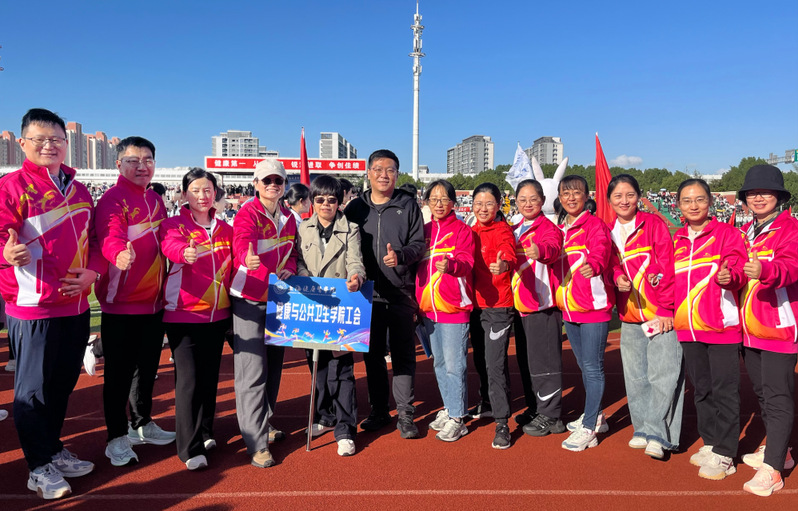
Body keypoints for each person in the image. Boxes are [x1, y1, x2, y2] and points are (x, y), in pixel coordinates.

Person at [0, 108, 103, 499]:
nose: (49, 145)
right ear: (23, 143)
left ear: (66, 143)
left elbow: (96, 243)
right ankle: (38, 465)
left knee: (62, 384)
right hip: (33, 306)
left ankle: (52, 448)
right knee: (33, 392)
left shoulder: (79, 191)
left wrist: (94, 272)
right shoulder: (11, 187)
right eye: (40, 139)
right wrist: (5, 254)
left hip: (76, 306)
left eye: (56, 139)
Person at [95, 136, 174, 468]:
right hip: (121, 305)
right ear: (119, 164)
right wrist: (118, 253)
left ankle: (142, 423)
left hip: (154, 304)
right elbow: (109, 235)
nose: (142, 166)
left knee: (147, 370)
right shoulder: (112, 200)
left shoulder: (155, 199)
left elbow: (167, 238)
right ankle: (116, 437)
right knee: (118, 375)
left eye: (148, 160)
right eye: (133, 160)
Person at [344, 149, 425, 438]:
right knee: (373, 355)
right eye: (378, 169)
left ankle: (405, 414)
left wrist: (401, 256)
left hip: (401, 291)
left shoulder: (408, 205)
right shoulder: (355, 208)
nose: (383, 175)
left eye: (390, 170)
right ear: (368, 173)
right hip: (366, 294)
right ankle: (379, 410)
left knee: (403, 355)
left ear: (397, 174)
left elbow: (419, 244)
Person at [672, 178, 747, 481]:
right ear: (679, 205)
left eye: (700, 199)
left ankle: (726, 452)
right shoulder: (676, 239)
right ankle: (712, 441)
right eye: (687, 200)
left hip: (721, 328)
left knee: (725, 390)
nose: (694, 205)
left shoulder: (727, 234)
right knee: (701, 389)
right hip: (688, 329)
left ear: (710, 202)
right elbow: (668, 280)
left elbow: (738, 268)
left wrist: (731, 277)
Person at [159, 168, 233, 471]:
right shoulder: (173, 225)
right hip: (183, 315)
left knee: (209, 377)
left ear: (215, 193)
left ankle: (205, 432)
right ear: (184, 194)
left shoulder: (225, 230)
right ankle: (188, 448)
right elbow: (170, 246)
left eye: (207, 190)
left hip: (218, 315)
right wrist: (183, 253)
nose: (202, 196)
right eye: (195, 190)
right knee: (188, 382)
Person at [607, 174, 684, 460]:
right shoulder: (609, 232)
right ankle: (641, 427)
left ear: (639, 197)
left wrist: (665, 308)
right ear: (609, 200)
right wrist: (616, 276)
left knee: (664, 375)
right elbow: (611, 264)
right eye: (618, 196)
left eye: (630, 195)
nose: (624, 201)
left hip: (660, 313)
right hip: (629, 315)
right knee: (636, 377)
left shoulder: (653, 224)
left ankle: (659, 434)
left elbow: (667, 264)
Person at [735, 165, 798, 497]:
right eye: (752, 193)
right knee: (762, 393)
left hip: (777, 328)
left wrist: (766, 269)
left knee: (777, 396)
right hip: (749, 329)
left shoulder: (790, 228)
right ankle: (780, 449)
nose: (758, 197)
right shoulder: (747, 230)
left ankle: (773, 469)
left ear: (779, 196)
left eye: (765, 192)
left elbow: (792, 266)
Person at [230, 158, 297, 468]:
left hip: (277, 299)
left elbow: (293, 253)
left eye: (278, 180)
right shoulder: (247, 213)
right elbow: (241, 245)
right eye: (266, 180)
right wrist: (249, 259)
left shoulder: (290, 217)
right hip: (249, 299)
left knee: (273, 369)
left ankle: (263, 422)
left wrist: (290, 269)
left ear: (284, 185)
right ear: (255, 184)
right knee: (252, 371)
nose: (273, 184)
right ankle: (256, 443)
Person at [296, 175, 366, 457]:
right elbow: (298, 260)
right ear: (312, 201)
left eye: (332, 200)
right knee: (318, 367)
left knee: (342, 370)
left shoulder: (351, 229)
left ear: (340, 202)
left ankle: (345, 428)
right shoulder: (303, 229)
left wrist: (356, 277)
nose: (326, 204)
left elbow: (355, 260)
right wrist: (303, 276)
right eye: (320, 199)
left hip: (340, 306)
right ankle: (324, 416)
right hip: (311, 305)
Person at [553, 175, 615, 452]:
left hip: (593, 307)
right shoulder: (560, 228)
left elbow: (601, 250)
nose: (571, 198)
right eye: (565, 193)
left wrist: (595, 264)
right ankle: (596, 415)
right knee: (584, 365)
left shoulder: (594, 225)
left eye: (576, 192)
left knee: (592, 367)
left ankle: (589, 428)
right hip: (569, 308)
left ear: (587, 196)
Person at [417, 180, 474, 443]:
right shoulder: (423, 231)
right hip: (429, 310)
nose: (439, 204)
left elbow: (467, 263)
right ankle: (449, 408)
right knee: (439, 363)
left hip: (453, 308)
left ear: (453, 203)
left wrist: (451, 266)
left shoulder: (462, 230)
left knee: (454, 366)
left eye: (444, 199)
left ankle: (458, 418)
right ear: (427, 202)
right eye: (434, 199)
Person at [510, 179, 567, 438]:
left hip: (542, 304)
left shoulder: (548, 228)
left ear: (542, 201)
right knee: (528, 362)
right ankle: (536, 406)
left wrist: (540, 251)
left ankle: (551, 414)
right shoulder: (515, 228)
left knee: (546, 362)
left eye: (533, 199)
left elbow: (552, 248)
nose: (528, 203)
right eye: (522, 199)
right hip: (519, 305)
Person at [467, 182, 517, 448]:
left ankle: (502, 422)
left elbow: (508, 251)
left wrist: (504, 264)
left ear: (498, 205)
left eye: (488, 203)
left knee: (494, 363)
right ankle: (487, 401)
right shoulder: (470, 231)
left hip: (498, 305)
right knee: (480, 358)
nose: (483, 208)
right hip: (473, 306)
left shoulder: (502, 230)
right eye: (478, 203)